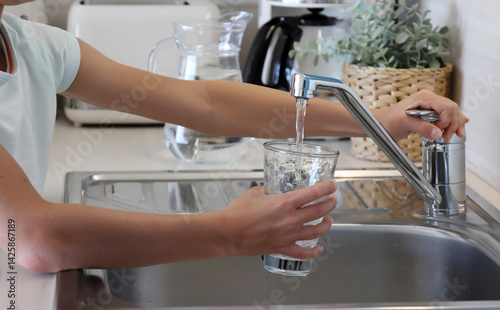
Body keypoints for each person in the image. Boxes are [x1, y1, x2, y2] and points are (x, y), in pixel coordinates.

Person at [0, 1, 468, 273]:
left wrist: (375, 119)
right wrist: (225, 233)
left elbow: (206, 104)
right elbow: (37, 237)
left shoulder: (32, 45)